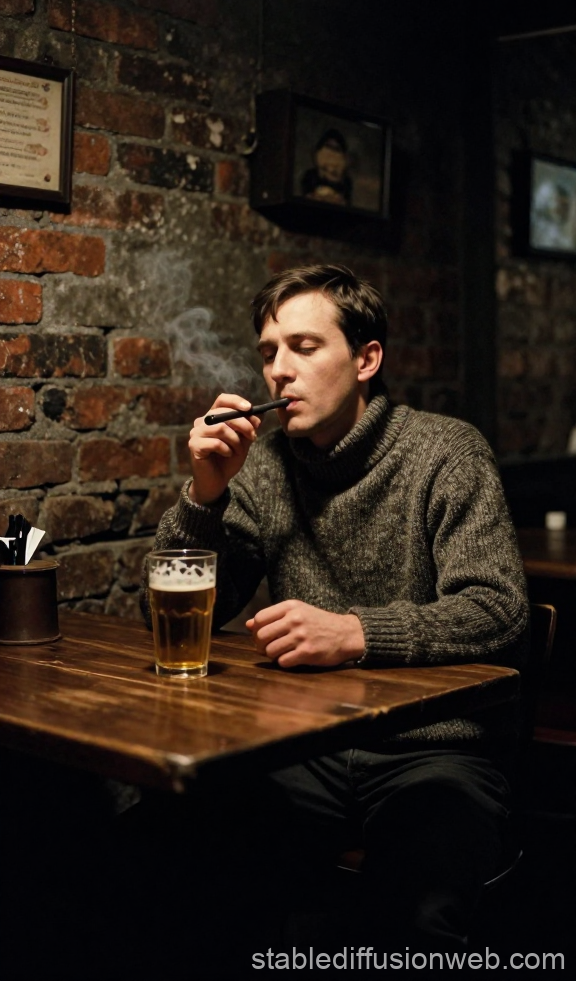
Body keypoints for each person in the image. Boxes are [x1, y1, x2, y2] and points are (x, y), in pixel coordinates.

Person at [140, 264, 528, 955]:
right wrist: (204, 496)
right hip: (306, 744)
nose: (279, 372)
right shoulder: (263, 467)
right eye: (268, 353)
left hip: (435, 749)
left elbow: (498, 611)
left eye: (304, 347)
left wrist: (355, 631)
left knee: (414, 911)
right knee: (176, 849)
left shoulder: (447, 452)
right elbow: (185, 611)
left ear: (366, 359)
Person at [300, 128, 353, 205]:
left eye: (336, 149)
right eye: (328, 147)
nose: (331, 155)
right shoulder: (310, 175)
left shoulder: (346, 181)